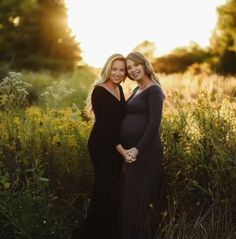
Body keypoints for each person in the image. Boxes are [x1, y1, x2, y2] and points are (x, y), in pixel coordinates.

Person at [73, 53, 127, 239]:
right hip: (102, 145)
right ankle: (91, 233)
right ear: (107, 69)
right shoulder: (99, 90)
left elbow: (120, 120)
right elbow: (105, 124)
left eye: (122, 70)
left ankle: (108, 232)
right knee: (104, 189)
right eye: (115, 69)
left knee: (112, 191)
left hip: (115, 146)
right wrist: (121, 149)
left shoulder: (120, 89)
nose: (118, 73)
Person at [119, 52, 164, 239]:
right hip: (132, 154)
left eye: (135, 65)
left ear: (144, 65)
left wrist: (137, 149)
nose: (132, 70)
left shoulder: (154, 90)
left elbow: (154, 124)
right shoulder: (137, 90)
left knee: (140, 199)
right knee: (130, 198)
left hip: (146, 154)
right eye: (129, 68)